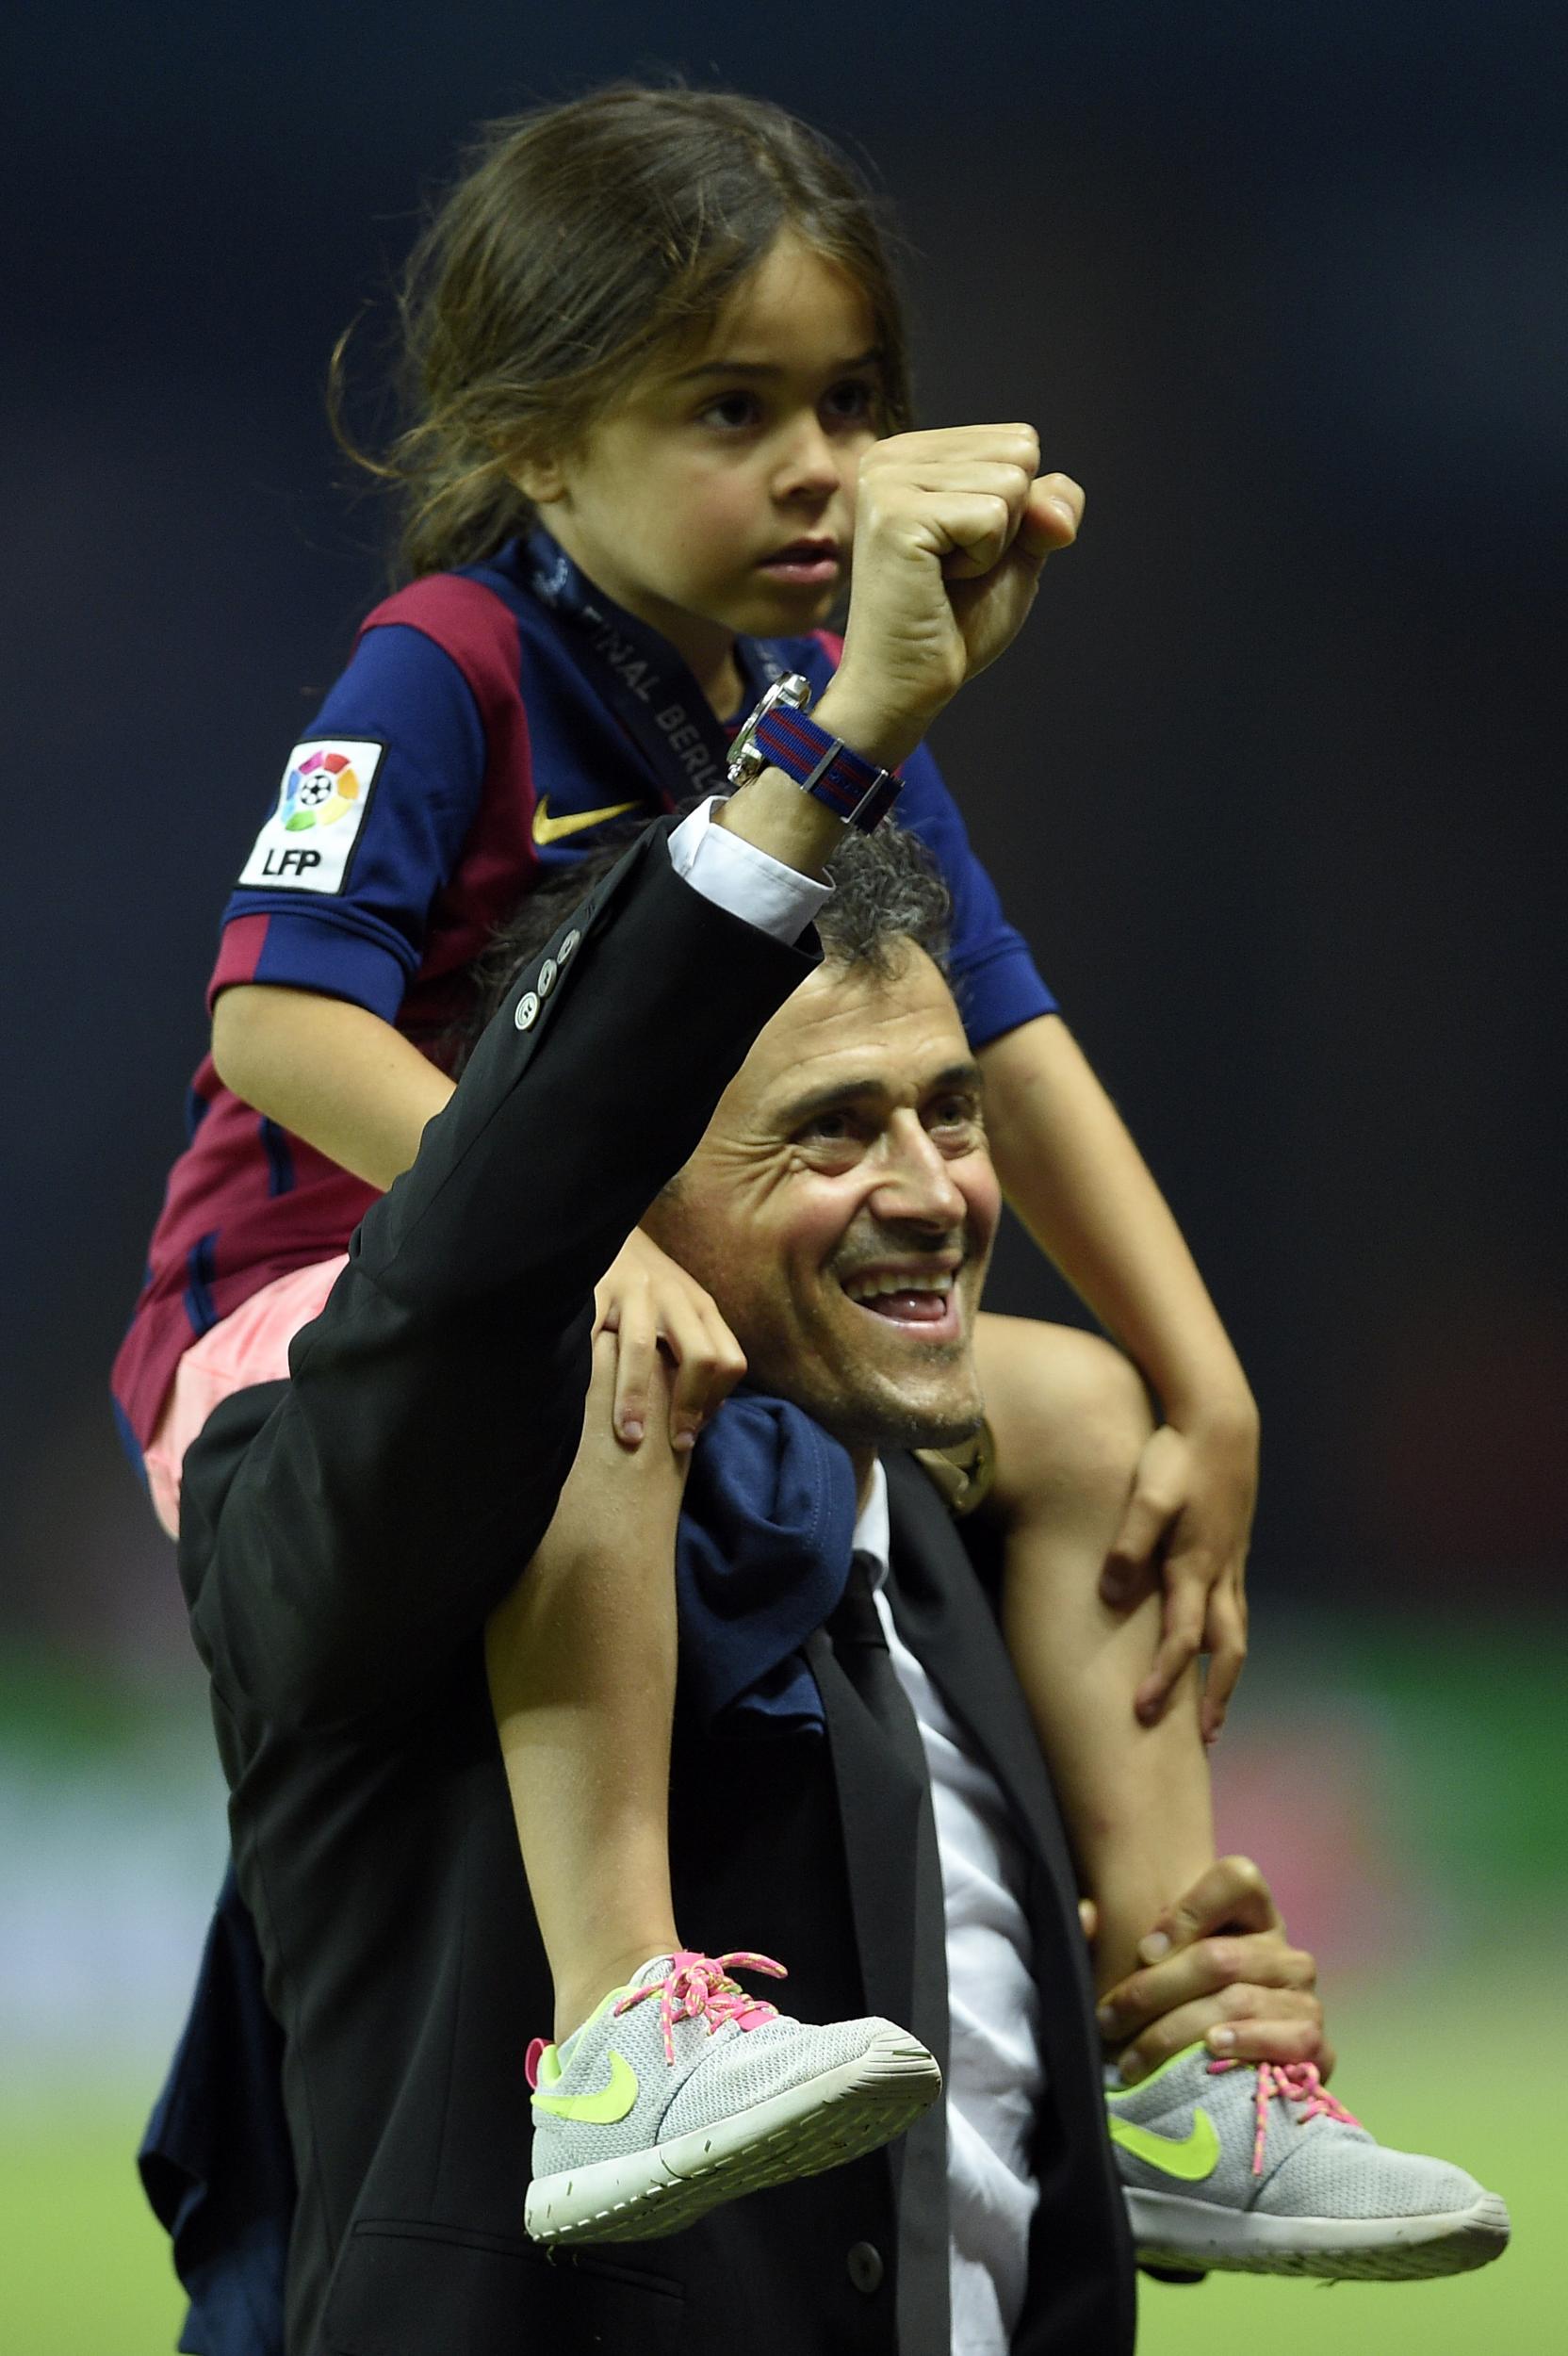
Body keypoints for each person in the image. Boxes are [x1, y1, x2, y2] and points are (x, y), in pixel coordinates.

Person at [113, 84, 1505, 2294]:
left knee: (1079, 1419)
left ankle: (1181, 2056)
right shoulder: (448, 663)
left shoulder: (812, 699)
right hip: (308, 1298)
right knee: (585, 1366)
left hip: (655, 1275)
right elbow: (277, 1024)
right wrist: (564, 1241)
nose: (816, 467)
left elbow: (1005, 1031)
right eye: (729, 407)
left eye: (851, 401)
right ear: (538, 443)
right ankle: (622, 2022)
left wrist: (1202, 1375)